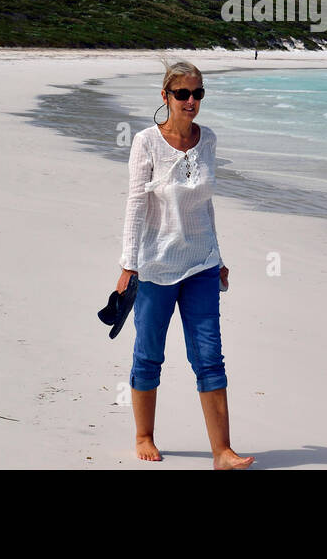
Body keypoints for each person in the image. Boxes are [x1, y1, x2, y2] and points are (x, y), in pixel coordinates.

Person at [117, 60, 254, 469]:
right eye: (183, 94)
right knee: (148, 355)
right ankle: (144, 435)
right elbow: (136, 204)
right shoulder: (146, 142)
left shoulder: (208, 139)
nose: (191, 101)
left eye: (197, 94)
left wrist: (220, 256)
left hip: (202, 265)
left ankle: (222, 453)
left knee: (210, 356)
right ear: (166, 97)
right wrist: (128, 265)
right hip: (156, 266)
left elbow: (204, 205)